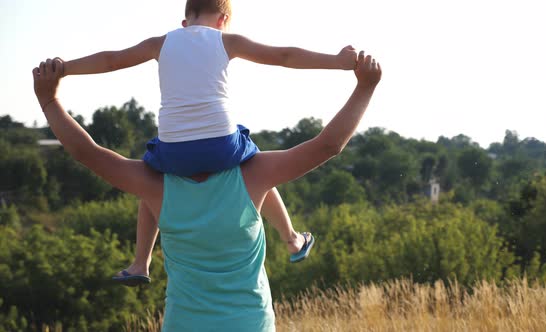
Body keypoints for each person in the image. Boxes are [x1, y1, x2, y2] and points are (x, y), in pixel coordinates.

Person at [33, 51, 381, 331]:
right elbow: (328, 145)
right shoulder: (253, 175)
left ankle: (142, 262)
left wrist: (49, 100)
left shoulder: (155, 186)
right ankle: (291, 238)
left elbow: (89, 154)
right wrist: (365, 86)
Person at [57, 0, 358, 284]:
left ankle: (140, 263)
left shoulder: (160, 43)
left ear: (185, 22)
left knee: (150, 181)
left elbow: (110, 60)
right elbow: (284, 56)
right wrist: (337, 62)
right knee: (257, 167)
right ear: (223, 20)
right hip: (221, 146)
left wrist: (64, 68)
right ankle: (292, 238)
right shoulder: (226, 40)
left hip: (174, 153)